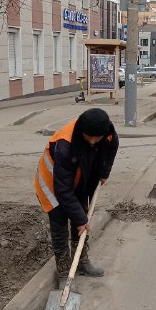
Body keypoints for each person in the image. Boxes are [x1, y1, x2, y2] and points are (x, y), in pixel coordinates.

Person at [35, 108, 119, 287]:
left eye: (95, 138)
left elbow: (111, 150)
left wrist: (104, 173)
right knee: (60, 225)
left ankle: (80, 262)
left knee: (81, 215)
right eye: (87, 136)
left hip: (80, 177)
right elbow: (63, 190)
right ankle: (65, 272)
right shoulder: (64, 144)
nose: (91, 141)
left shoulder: (108, 133)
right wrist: (81, 220)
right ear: (81, 129)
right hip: (52, 184)